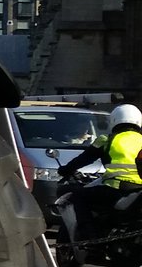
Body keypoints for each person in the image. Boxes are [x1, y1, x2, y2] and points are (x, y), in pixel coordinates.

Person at [57, 104, 142, 244]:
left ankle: (90, 237)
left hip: (115, 188)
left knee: (77, 196)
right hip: (138, 191)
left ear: (114, 120)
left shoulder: (107, 140)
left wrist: (65, 170)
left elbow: (83, 160)